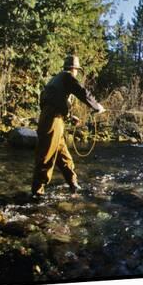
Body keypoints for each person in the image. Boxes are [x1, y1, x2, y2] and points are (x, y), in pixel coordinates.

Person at [31, 55, 105, 197]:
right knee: (46, 157)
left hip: (52, 120)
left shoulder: (56, 79)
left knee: (64, 156)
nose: (76, 73)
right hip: (52, 121)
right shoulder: (67, 77)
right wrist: (97, 106)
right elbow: (82, 92)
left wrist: (70, 117)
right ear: (74, 69)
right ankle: (37, 193)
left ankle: (73, 184)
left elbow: (53, 101)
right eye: (77, 70)